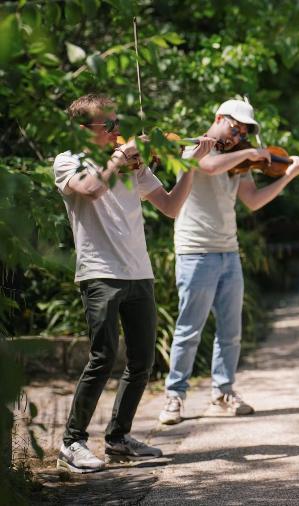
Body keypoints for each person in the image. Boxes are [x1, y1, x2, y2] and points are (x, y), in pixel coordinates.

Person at [54, 94, 205, 473]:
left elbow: (170, 207)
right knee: (103, 357)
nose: (117, 129)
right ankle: (72, 442)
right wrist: (119, 158)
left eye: (117, 121)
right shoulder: (69, 161)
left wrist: (191, 166)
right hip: (99, 272)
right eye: (109, 125)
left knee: (142, 360)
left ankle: (118, 438)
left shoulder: (131, 164)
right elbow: (90, 189)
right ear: (84, 130)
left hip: (139, 271)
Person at [158, 99, 299, 425]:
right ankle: (174, 397)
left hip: (229, 251)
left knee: (231, 331)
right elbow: (209, 166)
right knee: (189, 330)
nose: (239, 134)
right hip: (195, 252)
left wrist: (287, 177)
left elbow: (253, 202)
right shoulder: (196, 149)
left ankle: (222, 392)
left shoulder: (238, 162)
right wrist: (250, 153)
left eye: (245, 131)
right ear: (218, 118)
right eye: (236, 127)